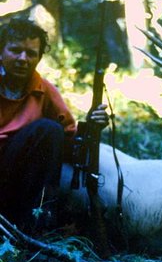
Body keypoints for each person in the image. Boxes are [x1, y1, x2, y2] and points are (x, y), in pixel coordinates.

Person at [0, 18, 109, 233]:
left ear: (39, 58)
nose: (23, 59)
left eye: (31, 53)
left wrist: (93, 126)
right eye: (15, 50)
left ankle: (36, 222)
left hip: (15, 177)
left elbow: (70, 140)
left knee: (49, 131)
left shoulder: (44, 90)